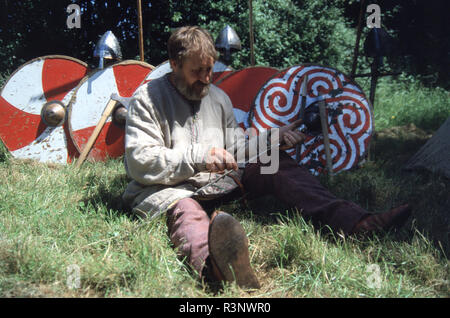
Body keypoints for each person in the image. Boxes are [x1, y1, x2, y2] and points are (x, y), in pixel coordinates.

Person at [122, 26, 411, 289]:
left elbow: (237, 146)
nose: (206, 79)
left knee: (276, 163)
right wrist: (199, 156)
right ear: (174, 65)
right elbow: (139, 160)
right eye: (197, 71)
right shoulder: (147, 99)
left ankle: (356, 222)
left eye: (210, 70)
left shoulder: (218, 98)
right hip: (174, 189)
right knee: (186, 212)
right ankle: (215, 267)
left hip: (218, 182)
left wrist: (275, 137)